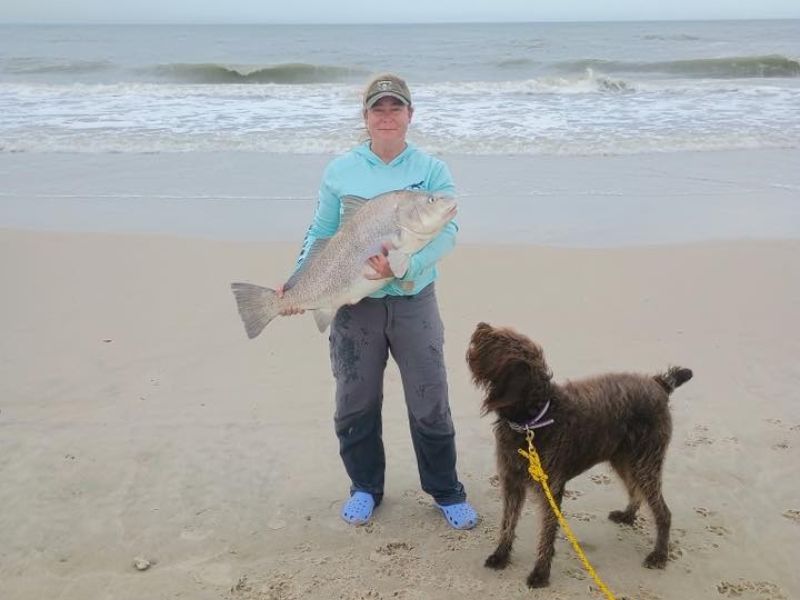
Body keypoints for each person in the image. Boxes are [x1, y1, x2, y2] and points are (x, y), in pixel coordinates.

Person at [280, 73, 477, 529]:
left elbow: (447, 233)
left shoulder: (432, 171)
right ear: (365, 117)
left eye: (396, 108)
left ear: (410, 115)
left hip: (413, 301)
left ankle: (445, 491)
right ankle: (365, 487)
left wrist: (403, 267)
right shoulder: (341, 171)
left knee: (430, 399)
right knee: (355, 400)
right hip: (354, 306)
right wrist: (296, 284)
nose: (387, 117)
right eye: (378, 109)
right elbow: (321, 234)